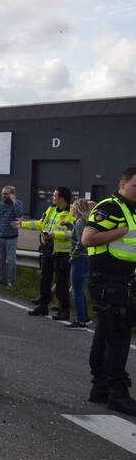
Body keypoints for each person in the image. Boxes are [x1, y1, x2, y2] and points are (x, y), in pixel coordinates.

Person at [82, 168, 136, 415]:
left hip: (121, 280)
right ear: (123, 183)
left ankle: (100, 387)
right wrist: (122, 231)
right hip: (107, 281)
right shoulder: (110, 206)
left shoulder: (131, 210)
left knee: (106, 332)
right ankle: (117, 392)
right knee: (118, 336)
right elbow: (88, 238)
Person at [20, 186, 75, 320]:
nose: (52, 198)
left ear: (62, 198)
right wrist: (22, 224)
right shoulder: (51, 209)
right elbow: (40, 224)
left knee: (61, 281)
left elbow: (73, 233)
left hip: (62, 252)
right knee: (45, 278)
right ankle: (43, 306)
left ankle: (63, 310)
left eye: (55, 196)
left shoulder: (72, 212)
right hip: (47, 248)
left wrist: (55, 234)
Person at [65, 198, 94, 329]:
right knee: (81, 290)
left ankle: (80, 320)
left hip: (80, 258)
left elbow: (80, 242)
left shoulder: (80, 222)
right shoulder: (82, 221)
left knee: (76, 291)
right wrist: (69, 225)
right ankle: (85, 317)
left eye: (73, 207)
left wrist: (73, 256)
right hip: (86, 258)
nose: (71, 209)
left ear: (76, 209)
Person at [0, 185, 23, 287]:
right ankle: (2, 280)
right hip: (0, 238)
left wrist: (14, 202)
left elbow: (20, 214)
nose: (4, 195)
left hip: (11, 238)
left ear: (12, 195)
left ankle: (11, 282)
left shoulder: (17, 204)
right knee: (1, 260)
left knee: (11, 261)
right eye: (3, 193)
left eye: (6, 193)